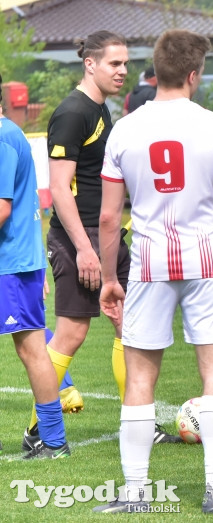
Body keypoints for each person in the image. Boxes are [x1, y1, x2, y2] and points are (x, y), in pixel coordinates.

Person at [94, 29, 213, 513]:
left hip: (147, 263)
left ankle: (135, 493)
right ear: (193, 74)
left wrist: (109, 279)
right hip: (205, 260)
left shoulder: (125, 129)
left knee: (140, 378)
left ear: (155, 70)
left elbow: (108, 216)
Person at [36, 30, 181, 452]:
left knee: (130, 327)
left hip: (107, 238)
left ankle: (140, 424)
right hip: (77, 240)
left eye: (125, 63)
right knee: (70, 336)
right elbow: (59, 189)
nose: (123, 71)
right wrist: (84, 248)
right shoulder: (72, 112)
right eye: (114, 64)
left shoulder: (102, 110)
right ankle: (39, 434)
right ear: (90, 64)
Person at [1, 74, 70, 459]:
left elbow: (2, 207)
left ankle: (53, 440)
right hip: (14, 260)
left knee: (31, 349)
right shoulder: (9, 134)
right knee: (31, 348)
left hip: (9, 263)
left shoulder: (1, 137)